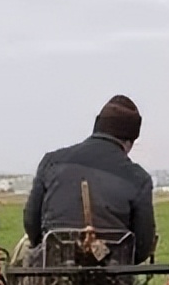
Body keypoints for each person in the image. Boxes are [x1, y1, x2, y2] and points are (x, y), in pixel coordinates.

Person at [22, 94, 157, 264]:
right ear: (130, 141)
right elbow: (142, 248)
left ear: (97, 127)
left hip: (51, 276)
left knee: (22, 250)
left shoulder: (51, 162)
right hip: (113, 283)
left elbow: (31, 223)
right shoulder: (139, 179)